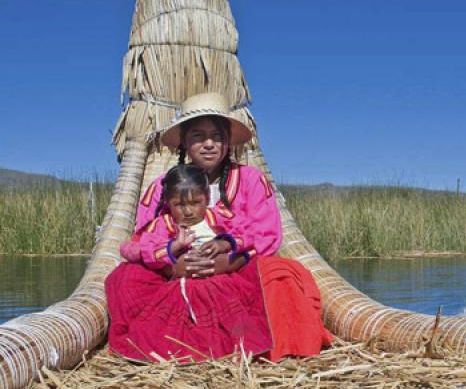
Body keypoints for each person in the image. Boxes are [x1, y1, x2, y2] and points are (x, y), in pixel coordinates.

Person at [106, 92, 331, 362]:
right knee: (125, 277)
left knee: (281, 274)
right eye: (198, 136)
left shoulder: (250, 180)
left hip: (237, 270)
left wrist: (227, 262)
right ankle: (168, 347)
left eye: (217, 136)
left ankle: (269, 346)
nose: (209, 144)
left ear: (227, 142)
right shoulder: (163, 186)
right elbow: (145, 236)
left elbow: (267, 234)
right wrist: (173, 266)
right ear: (184, 143)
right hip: (175, 272)